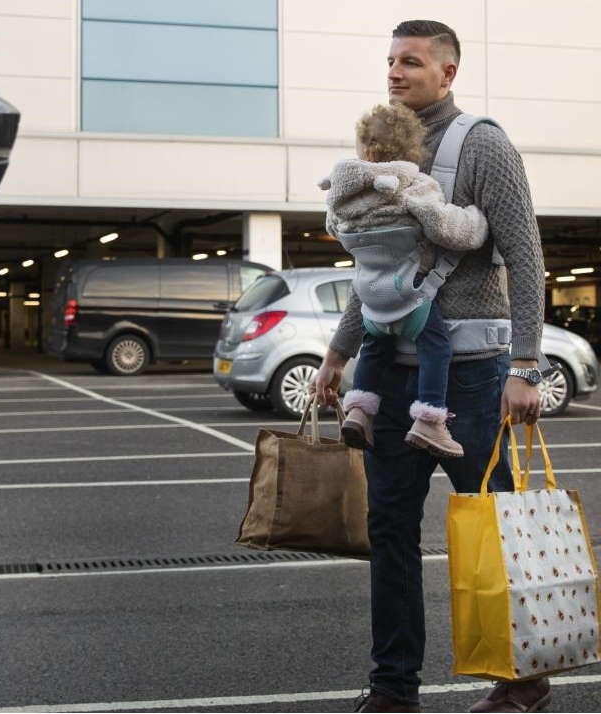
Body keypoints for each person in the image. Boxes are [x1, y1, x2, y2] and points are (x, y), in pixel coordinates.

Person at [310, 20, 547, 714]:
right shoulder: (383, 156)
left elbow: (526, 255)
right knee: (388, 531)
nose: (394, 72)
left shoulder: (484, 145)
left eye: (410, 62)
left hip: (472, 372)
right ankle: (393, 688)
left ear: (447, 72)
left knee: (488, 525)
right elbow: (375, 275)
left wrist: (526, 366)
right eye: (389, 61)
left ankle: (522, 678)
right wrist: (337, 353)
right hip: (389, 375)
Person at [320, 102, 489, 458]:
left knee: (374, 349)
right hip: (409, 296)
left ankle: (359, 413)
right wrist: (477, 219)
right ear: (413, 152)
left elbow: (334, 229)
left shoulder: (340, 196)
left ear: (363, 149)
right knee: (436, 347)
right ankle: (430, 419)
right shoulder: (413, 185)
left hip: (370, 300)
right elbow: (448, 228)